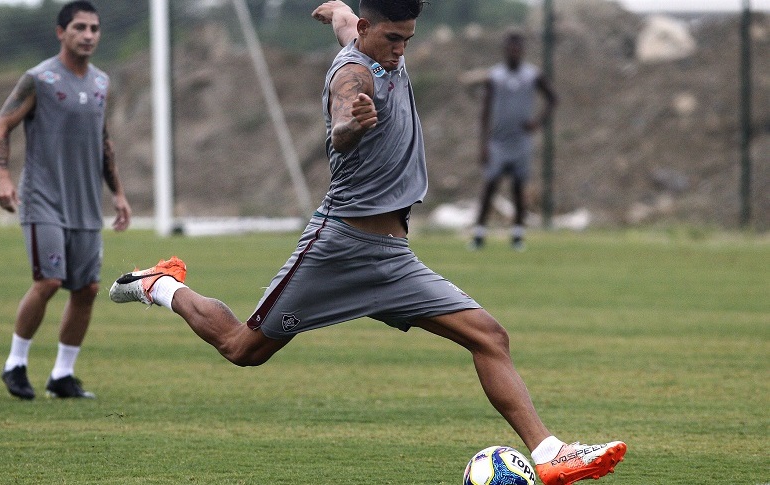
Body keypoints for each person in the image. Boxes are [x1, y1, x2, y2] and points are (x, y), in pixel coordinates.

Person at [109, 1, 624, 483]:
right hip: (338, 249)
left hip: (394, 259)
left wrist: (336, 8)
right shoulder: (352, 76)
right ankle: (162, 285)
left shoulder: (371, 37)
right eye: (393, 39)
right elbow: (340, 123)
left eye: (407, 40)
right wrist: (351, 124)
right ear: (367, 30)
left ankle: (549, 453)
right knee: (243, 349)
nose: (400, 50)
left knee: (490, 336)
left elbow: (344, 22)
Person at [0, 1, 131, 400]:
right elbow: (1, 124)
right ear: (60, 32)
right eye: (79, 28)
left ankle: (62, 375)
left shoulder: (101, 83)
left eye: (94, 28)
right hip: (43, 201)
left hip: (85, 205)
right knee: (49, 281)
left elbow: (103, 141)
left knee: (87, 290)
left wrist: (118, 193)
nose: (88, 35)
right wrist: (2, 175)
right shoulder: (39, 79)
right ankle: (15, 364)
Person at [471, 30, 557, 251]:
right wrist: (483, 145)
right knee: (490, 185)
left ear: (522, 51)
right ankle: (479, 234)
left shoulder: (532, 75)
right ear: (505, 50)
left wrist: (537, 122)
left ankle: (518, 235)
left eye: (517, 49)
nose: (514, 53)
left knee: (519, 187)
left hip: (521, 141)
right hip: (498, 141)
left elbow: (552, 98)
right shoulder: (495, 76)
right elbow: (485, 111)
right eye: (510, 49)